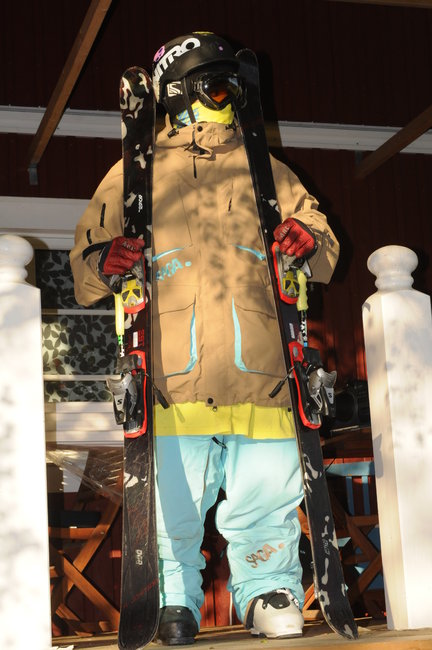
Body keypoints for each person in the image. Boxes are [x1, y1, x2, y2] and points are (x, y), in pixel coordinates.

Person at [70, 31, 339, 645]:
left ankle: (268, 587)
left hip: (263, 369)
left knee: (267, 491)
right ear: (177, 94)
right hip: (172, 374)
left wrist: (307, 240)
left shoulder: (267, 171)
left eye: (235, 90)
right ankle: (174, 598)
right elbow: (86, 264)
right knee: (176, 500)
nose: (228, 101)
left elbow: (322, 243)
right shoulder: (134, 174)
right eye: (216, 87)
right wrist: (106, 261)